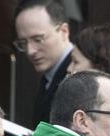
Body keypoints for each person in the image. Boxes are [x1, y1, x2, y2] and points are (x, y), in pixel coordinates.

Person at [14, 0, 73, 128]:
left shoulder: (78, 74)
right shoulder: (49, 76)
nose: (30, 51)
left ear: (64, 31)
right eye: (23, 43)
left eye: (38, 40)